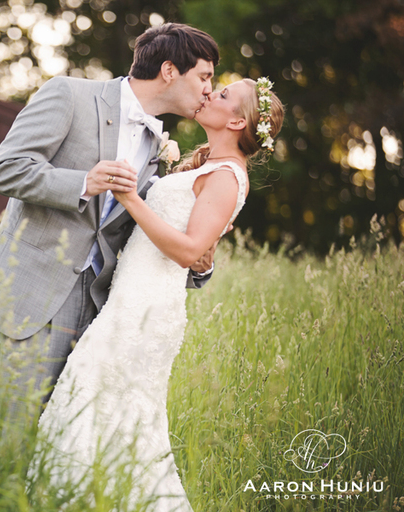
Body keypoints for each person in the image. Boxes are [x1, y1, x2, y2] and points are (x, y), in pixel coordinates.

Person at [31, 77, 285, 510]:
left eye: (223, 94)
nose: (211, 93)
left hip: (145, 312)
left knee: (105, 418)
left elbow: (189, 251)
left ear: (238, 120)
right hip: (129, 302)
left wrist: (131, 198)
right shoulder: (209, 167)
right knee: (98, 418)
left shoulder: (226, 176)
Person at [0, 23, 220, 458]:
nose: (209, 91)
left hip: (104, 309)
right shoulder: (69, 94)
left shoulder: (159, 142)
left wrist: (200, 264)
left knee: (69, 444)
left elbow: (143, 233)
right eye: (205, 77)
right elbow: (4, 169)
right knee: (14, 439)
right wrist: (83, 182)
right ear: (168, 70)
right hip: (36, 292)